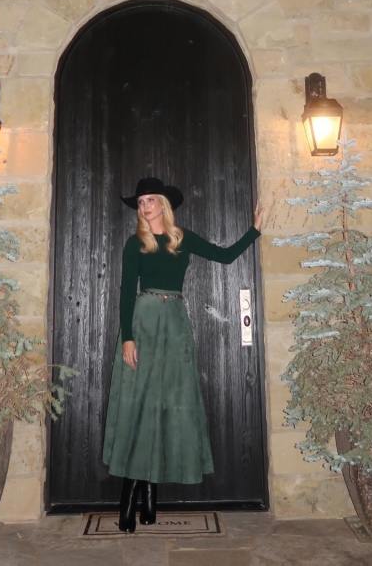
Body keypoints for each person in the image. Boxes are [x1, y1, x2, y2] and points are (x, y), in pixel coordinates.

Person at [102, 176, 262, 533]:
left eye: (150, 201)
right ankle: (131, 499)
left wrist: (255, 230)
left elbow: (224, 256)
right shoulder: (134, 244)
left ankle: (150, 498)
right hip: (143, 323)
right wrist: (128, 338)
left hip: (174, 324)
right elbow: (126, 293)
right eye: (141, 202)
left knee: (166, 405)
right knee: (139, 405)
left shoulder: (182, 239)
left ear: (163, 205)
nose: (145, 207)